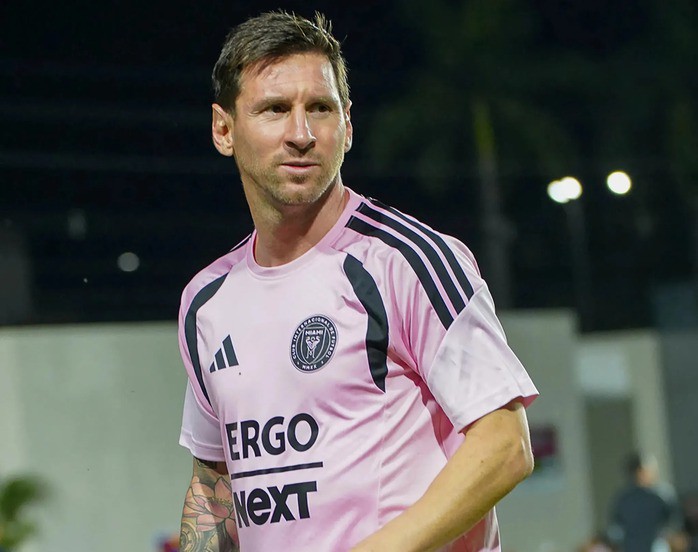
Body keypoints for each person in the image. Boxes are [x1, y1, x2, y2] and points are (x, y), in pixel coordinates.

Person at [177, 10, 538, 552]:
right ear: (223, 129)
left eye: (319, 108)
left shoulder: (406, 261)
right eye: (275, 109)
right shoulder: (206, 301)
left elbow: (505, 445)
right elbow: (215, 486)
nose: (301, 134)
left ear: (346, 125)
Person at [607, 452, 681, 552]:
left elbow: (674, 521)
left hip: (657, 545)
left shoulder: (663, 494)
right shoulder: (624, 499)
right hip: (633, 547)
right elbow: (616, 526)